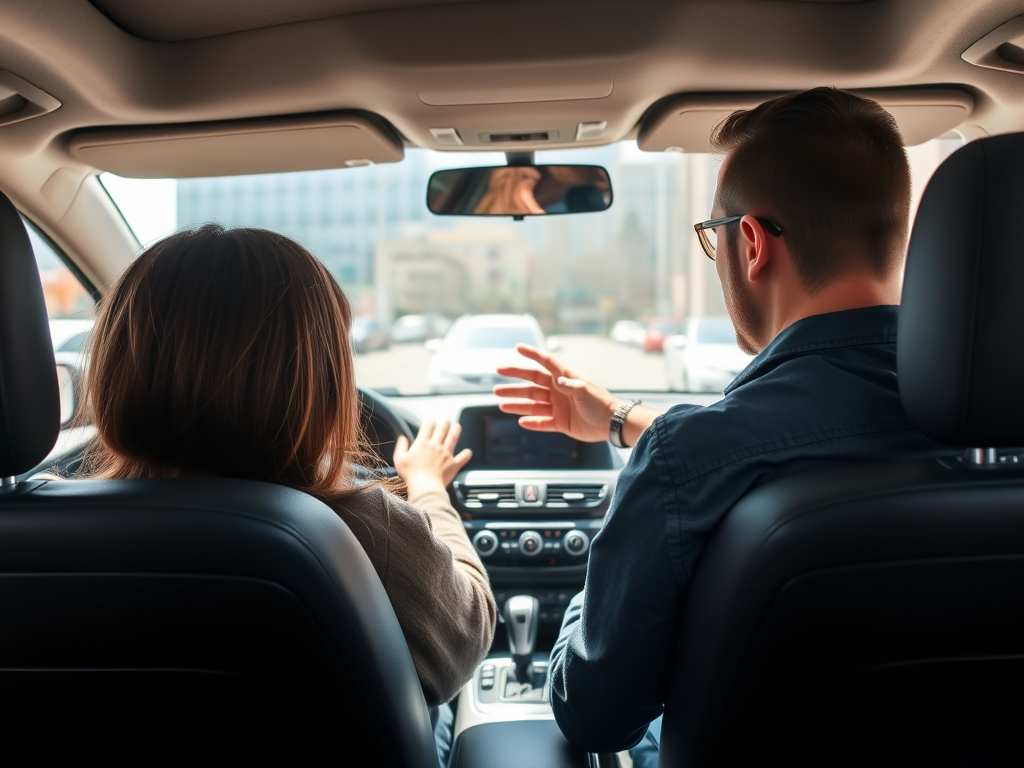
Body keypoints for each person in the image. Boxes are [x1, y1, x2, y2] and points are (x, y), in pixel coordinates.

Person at [492, 88, 957, 764]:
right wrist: (625, 420)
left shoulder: (686, 463)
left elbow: (593, 713)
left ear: (752, 243)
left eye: (714, 236)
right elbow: (795, 434)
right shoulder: (994, 436)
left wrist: (595, 578)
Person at [80, 224, 496, 765]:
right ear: (317, 381)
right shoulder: (357, 531)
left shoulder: (42, 538)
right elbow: (468, 635)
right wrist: (427, 488)